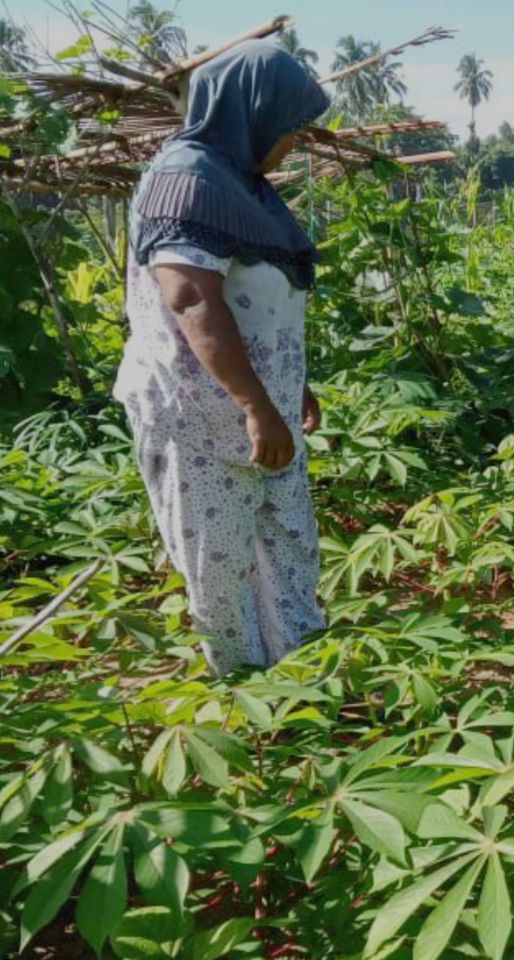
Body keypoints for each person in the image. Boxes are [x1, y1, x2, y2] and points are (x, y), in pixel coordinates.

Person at [113, 40, 329, 675]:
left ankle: (301, 684)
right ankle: (243, 691)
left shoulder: (246, 188)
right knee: (222, 566)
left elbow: (263, 300)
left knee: (290, 549)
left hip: (263, 413)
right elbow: (191, 299)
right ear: (251, 111)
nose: (293, 140)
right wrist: (255, 404)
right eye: (289, 125)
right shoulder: (186, 179)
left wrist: (291, 385)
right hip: (201, 420)